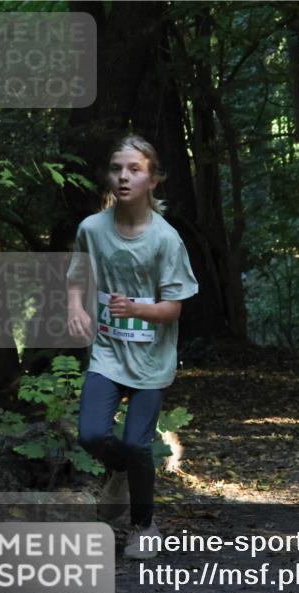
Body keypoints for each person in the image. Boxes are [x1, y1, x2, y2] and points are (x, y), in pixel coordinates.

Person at [67, 135, 200, 557]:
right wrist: (76, 309)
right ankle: (121, 471)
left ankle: (143, 526)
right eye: (116, 169)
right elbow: (75, 277)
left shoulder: (165, 240)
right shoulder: (92, 229)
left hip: (151, 359)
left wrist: (137, 311)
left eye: (134, 170)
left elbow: (175, 308)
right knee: (90, 434)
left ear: (153, 180)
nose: (123, 177)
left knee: (138, 442)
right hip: (107, 353)